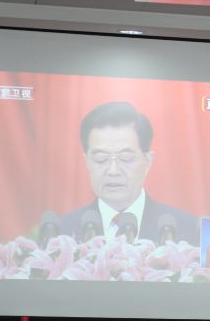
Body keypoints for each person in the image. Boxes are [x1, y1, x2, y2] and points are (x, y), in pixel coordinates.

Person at [61, 102, 200, 246]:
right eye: (100, 158)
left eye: (125, 158)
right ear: (87, 162)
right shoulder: (60, 232)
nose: (113, 171)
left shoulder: (192, 232)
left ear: (147, 161)